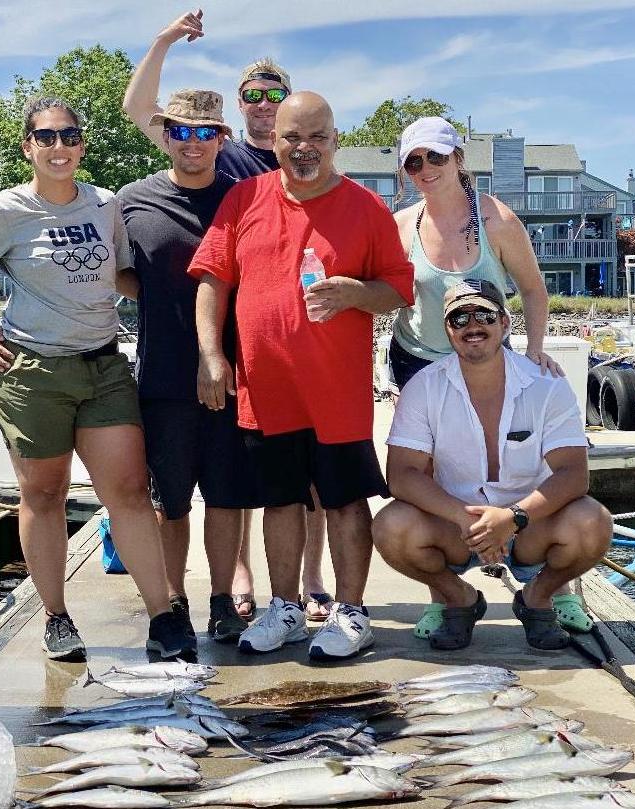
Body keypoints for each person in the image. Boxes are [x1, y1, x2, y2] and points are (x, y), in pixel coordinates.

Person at [0, 97, 192, 661]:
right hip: (33, 374)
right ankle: (56, 616)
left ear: (82, 145)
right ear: (28, 147)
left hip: (103, 366)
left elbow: (120, 275)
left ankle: (164, 617)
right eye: (46, 138)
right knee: (43, 494)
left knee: (127, 492)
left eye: (69, 136)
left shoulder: (105, 204)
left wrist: (185, 300)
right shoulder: (3, 211)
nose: (59, 147)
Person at [122, 8, 332, 622]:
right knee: (185, 496)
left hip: (271, 357)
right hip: (178, 369)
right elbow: (143, 112)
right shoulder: (235, 169)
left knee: (276, 480)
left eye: (275, 95)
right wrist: (163, 39)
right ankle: (211, 592)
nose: (264, 105)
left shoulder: (298, 169)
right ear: (236, 113)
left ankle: (306, 578)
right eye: (253, 96)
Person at [189, 91, 414, 661]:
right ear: (274, 140)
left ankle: (351, 610)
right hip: (267, 391)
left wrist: (359, 293)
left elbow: (398, 287)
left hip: (336, 395)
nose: (304, 148)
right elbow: (212, 280)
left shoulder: (366, 208)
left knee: (343, 500)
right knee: (280, 501)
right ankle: (284, 606)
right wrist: (212, 356)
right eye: (292, 137)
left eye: (317, 137)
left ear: (335, 141)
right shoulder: (244, 198)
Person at [390, 116, 574, 638]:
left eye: (435, 157)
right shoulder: (401, 225)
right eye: (413, 162)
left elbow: (534, 289)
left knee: (528, 463)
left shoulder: (497, 220)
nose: (425, 169)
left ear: (458, 160)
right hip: (419, 359)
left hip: (484, 347)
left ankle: (555, 588)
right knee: (430, 480)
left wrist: (535, 353)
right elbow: (382, 294)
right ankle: (446, 598)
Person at [373, 278, 612, 651]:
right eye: (459, 318)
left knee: (594, 522)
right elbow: (402, 475)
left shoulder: (546, 385)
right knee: (391, 526)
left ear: (504, 323)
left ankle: (538, 597)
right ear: (448, 331)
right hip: (457, 527)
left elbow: (573, 473)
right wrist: (463, 516)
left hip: (530, 526)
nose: (473, 326)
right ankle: (458, 599)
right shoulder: (423, 387)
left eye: (484, 314)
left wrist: (513, 517)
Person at [116, 89, 260, 651]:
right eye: (181, 131)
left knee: (226, 497)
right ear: (166, 135)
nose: (193, 143)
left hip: (238, 375)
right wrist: (152, 296)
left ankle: (222, 601)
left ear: (221, 139)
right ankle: (173, 603)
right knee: (168, 502)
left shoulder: (246, 198)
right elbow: (116, 272)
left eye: (205, 133)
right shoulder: (132, 200)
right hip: (163, 378)